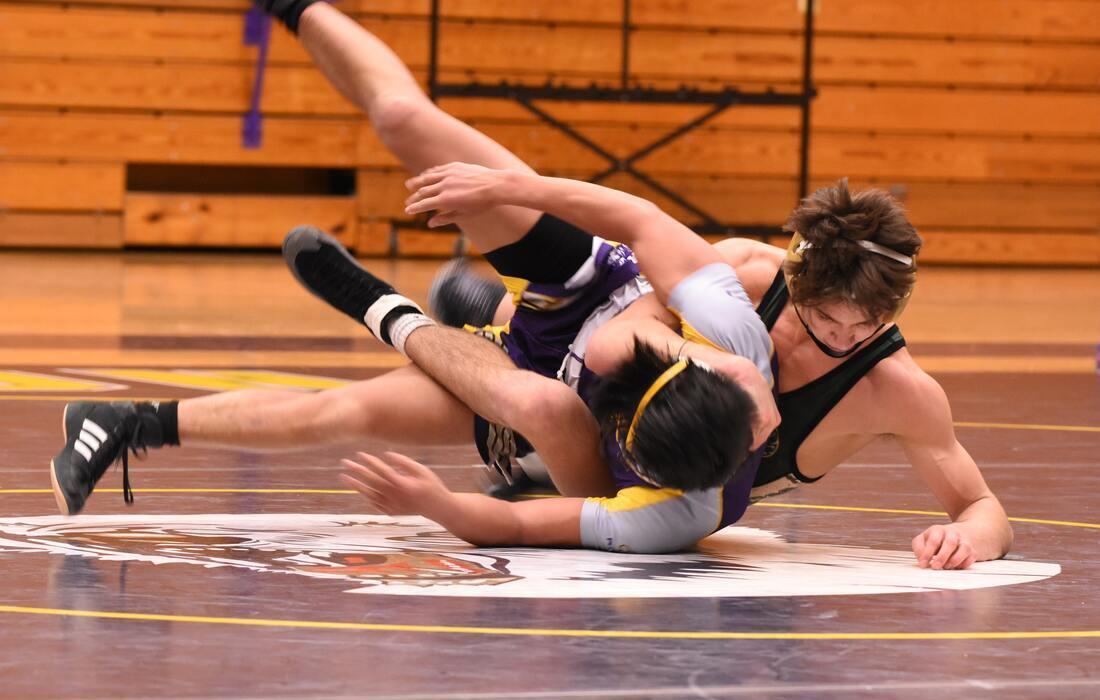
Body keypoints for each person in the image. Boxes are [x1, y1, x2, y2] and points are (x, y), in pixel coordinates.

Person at [49, 0, 780, 554]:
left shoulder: (670, 515)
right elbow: (643, 225)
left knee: (351, 412)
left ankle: (127, 422)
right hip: (587, 289)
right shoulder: (734, 361)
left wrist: (437, 504)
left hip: (539, 405)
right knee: (403, 120)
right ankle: (295, 6)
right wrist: (509, 192)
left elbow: (514, 528)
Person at [412, 168, 1014, 571]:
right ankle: (484, 309)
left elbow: (981, 506)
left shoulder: (899, 390)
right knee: (565, 341)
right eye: (828, 321)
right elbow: (618, 339)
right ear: (796, 280)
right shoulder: (747, 275)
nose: (845, 340)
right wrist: (727, 367)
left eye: (867, 327)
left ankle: (482, 319)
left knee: (621, 503)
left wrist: (969, 538)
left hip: (672, 474)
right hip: (609, 381)